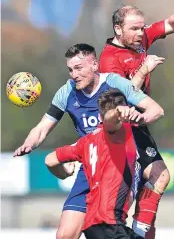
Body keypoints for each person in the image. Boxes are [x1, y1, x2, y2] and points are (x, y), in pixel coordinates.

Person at [14, 44, 164, 239]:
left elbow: (155, 110)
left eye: (79, 68)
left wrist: (138, 118)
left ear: (94, 65)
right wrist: (29, 144)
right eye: (70, 69)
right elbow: (43, 127)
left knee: (159, 175)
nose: (73, 75)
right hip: (90, 163)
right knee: (65, 235)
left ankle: (140, 231)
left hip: (118, 162)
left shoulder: (115, 84)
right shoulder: (66, 92)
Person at [99, 2, 174, 238]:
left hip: (137, 126)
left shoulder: (140, 40)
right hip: (121, 130)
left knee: (156, 180)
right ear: (118, 29)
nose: (141, 33)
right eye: (134, 29)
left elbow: (173, 24)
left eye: (142, 28)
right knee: (149, 180)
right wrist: (143, 71)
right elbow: (118, 101)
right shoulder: (109, 60)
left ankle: (142, 231)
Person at [45, 88, 149, 239]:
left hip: (96, 225)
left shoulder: (85, 142)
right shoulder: (117, 133)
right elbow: (110, 121)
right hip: (108, 224)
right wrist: (119, 111)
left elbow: (50, 160)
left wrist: (63, 173)